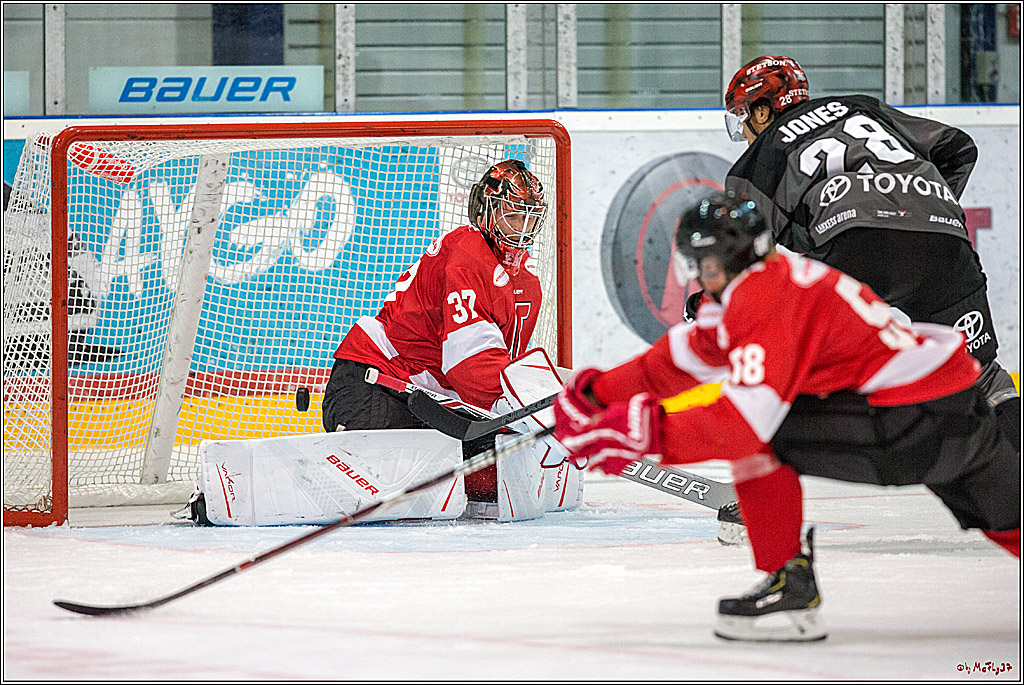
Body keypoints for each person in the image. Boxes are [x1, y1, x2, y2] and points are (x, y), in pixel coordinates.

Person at [553, 192, 1019, 642]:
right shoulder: (758, 280)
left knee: (764, 440)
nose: (699, 276)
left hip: (912, 417)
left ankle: (788, 583)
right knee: (1006, 514)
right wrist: (596, 392)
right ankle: (788, 582)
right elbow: (680, 361)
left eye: (706, 265)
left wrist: (637, 434)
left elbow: (741, 425)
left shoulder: (763, 298)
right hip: (937, 400)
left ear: (731, 259)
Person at [706, 54, 1020, 542]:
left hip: (855, 246)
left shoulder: (755, 162)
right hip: (942, 238)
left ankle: (760, 504)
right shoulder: (863, 107)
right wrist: (927, 208)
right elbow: (959, 148)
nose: (744, 132)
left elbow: (745, 261)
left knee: (781, 371)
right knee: (980, 374)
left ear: (763, 111)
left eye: (743, 119)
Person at [321, 158, 548, 501]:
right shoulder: (467, 254)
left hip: (429, 402)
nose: (520, 228)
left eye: (530, 218)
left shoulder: (528, 284)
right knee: (405, 493)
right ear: (485, 211)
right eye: (512, 215)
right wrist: (529, 415)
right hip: (375, 387)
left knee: (499, 484)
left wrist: (530, 410)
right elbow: (471, 369)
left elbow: (501, 373)